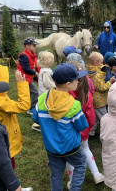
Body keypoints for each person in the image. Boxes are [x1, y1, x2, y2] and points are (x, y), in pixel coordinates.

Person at [32, 63, 88, 191]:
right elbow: (82, 126)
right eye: (76, 79)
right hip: (71, 147)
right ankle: (75, 188)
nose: (78, 81)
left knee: (56, 173)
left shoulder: (41, 100)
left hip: (51, 147)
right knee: (80, 164)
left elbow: (36, 118)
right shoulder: (74, 105)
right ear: (68, 84)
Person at [66, 61, 104, 188]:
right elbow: (91, 114)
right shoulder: (87, 94)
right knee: (86, 149)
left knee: (70, 157)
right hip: (84, 129)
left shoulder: (64, 96)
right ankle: (97, 174)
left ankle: (72, 181)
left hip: (68, 133)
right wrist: (91, 126)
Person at [86, 52, 115, 136]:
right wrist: (110, 82)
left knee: (95, 118)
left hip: (93, 99)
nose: (103, 64)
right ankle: (108, 133)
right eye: (101, 62)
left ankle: (91, 132)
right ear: (95, 62)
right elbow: (101, 87)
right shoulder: (96, 75)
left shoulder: (90, 70)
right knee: (104, 117)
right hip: (99, 101)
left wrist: (103, 69)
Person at [32, 51, 55, 132]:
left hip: (45, 93)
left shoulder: (45, 69)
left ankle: (42, 123)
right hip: (46, 94)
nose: (53, 61)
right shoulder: (45, 72)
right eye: (52, 59)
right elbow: (48, 84)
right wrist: (57, 86)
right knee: (45, 110)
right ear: (47, 61)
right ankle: (41, 125)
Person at [17, 37, 40, 115]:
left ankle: (27, 105)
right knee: (35, 92)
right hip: (25, 77)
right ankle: (31, 108)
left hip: (30, 76)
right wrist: (35, 73)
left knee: (30, 92)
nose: (35, 47)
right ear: (27, 46)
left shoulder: (32, 55)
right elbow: (26, 69)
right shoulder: (24, 56)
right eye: (33, 45)